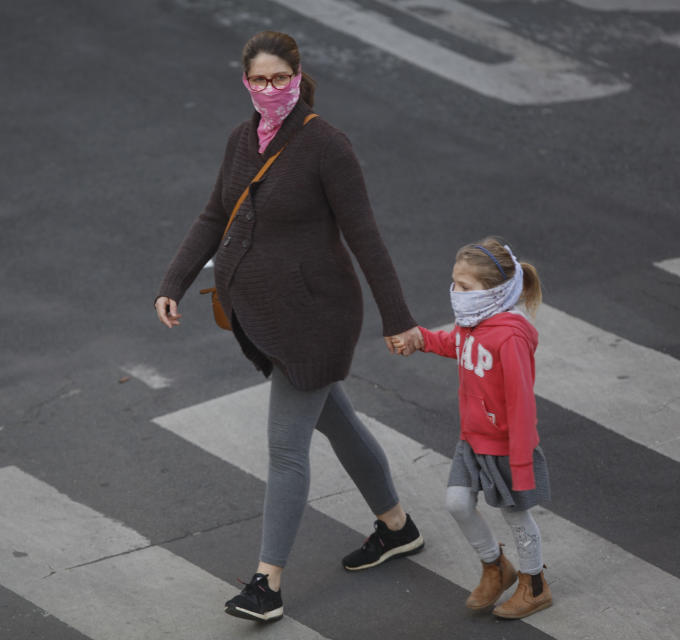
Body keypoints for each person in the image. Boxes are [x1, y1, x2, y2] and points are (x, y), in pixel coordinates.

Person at [154, 30, 424, 623]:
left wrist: (398, 318)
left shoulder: (327, 146)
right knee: (340, 424)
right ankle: (398, 527)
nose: (270, 89)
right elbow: (214, 215)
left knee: (285, 449)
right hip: (266, 318)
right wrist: (171, 283)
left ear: (298, 76)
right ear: (245, 83)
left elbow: (366, 238)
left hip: (315, 319)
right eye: (259, 80)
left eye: (280, 77)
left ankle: (266, 584)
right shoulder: (240, 140)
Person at [398, 237, 552, 619]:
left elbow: (520, 403)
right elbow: (458, 345)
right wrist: (421, 339)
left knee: (517, 516)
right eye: (454, 283)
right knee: (456, 503)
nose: (456, 293)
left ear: (494, 290)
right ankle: (496, 566)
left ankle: (535, 586)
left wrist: (520, 462)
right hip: (472, 439)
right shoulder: (473, 323)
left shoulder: (510, 335)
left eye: (465, 287)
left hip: (504, 445)